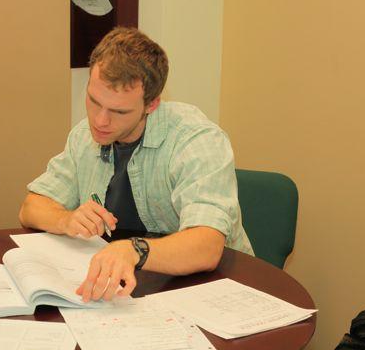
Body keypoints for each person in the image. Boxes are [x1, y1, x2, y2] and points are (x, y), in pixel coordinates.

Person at [19, 27, 252, 302]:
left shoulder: (197, 141)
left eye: (119, 111)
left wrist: (133, 250)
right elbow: (31, 208)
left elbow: (207, 246)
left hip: (209, 292)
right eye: (94, 101)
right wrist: (66, 218)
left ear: (151, 104)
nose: (100, 120)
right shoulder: (85, 136)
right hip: (127, 294)